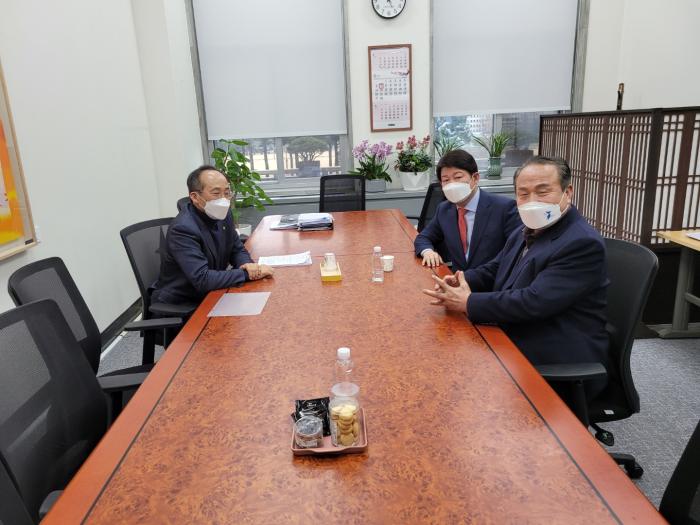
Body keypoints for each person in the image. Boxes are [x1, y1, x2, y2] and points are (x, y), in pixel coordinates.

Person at [422, 156, 610, 372]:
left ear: (567, 192)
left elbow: (534, 301)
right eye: (523, 194)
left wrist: (468, 302)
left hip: (553, 352)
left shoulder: (581, 242)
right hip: (514, 330)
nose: (532, 201)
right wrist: (461, 280)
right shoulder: (527, 229)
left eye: (542, 192)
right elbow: (496, 268)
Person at [152, 165, 274, 306]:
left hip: (214, 292)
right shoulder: (183, 228)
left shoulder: (223, 214)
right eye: (216, 193)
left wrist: (248, 266)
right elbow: (202, 279)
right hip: (184, 303)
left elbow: (236, 249)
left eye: (227, 193)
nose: (224, 200)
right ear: (195, 197)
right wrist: (247, 274)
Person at [414, 150, 521, 271]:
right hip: (456, 278)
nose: (452, 184)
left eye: (458, 177)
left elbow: (513, 254)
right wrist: (427, 251)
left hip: (491, 280)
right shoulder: (444, 209)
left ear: (475, 178)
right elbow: (423, 237)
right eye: (446, 180)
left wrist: (469, 278)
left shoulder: (504, 208)